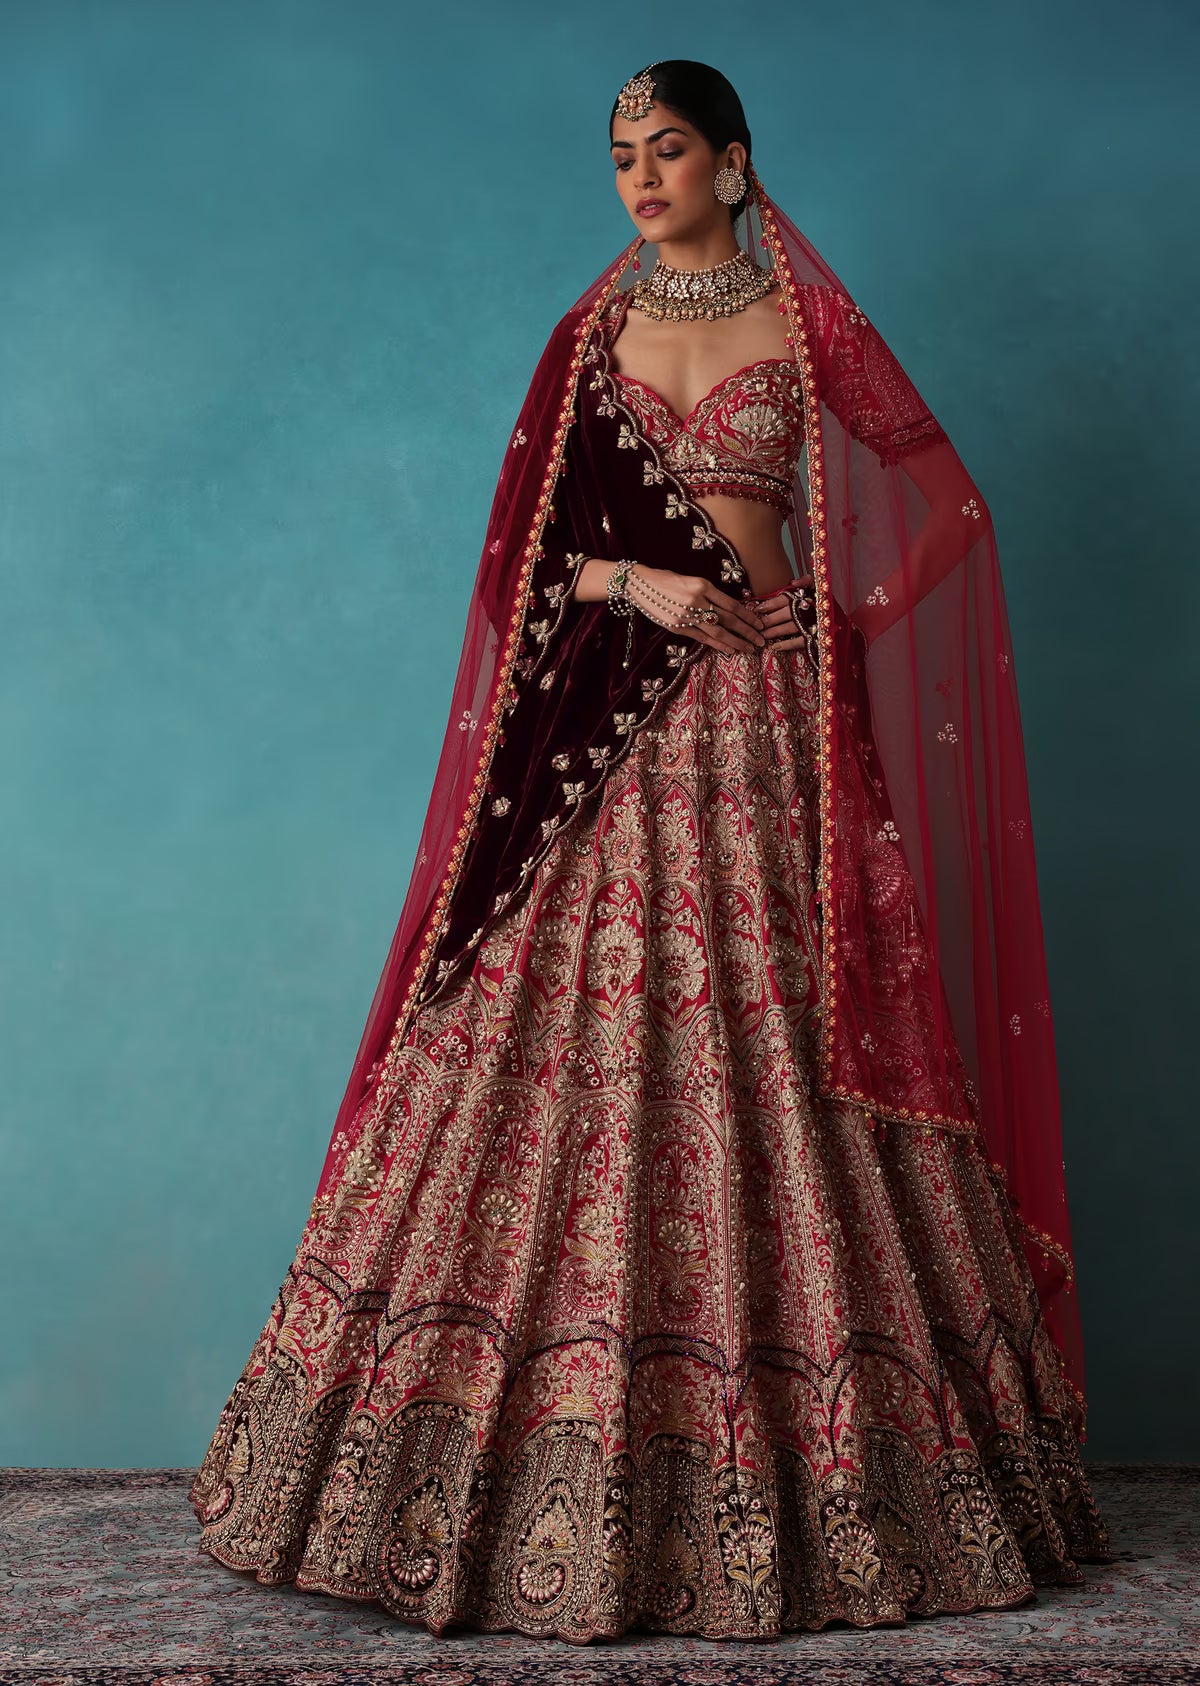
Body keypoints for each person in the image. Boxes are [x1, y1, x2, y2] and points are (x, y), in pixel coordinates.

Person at [189, 60, 1113, 1643]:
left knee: (779, 1041)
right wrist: (639, 581)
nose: (640, 177)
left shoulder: (807, 327)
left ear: (734, 165)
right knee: (566, 1043)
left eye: (667, 150)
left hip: (766, 732)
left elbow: (949, 510)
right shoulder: (589, 339)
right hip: (607, 736)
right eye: (621, 155)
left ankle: (845, 1469)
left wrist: (843, 622)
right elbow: (520, 571)